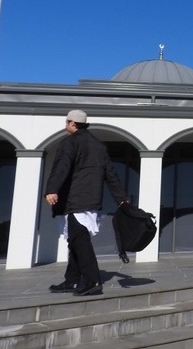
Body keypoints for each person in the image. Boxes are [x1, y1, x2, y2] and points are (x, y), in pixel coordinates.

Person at [44, 110, 128, 296]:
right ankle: (72, 280)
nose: (65, 125)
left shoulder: (70, 142)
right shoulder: (98, 145)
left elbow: (62, 166)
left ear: (73, 123)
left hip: (75, 199)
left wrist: (52, 189)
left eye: (67, 122)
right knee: (75, 240)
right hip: (91, 200)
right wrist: (121, 197)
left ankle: (92, 281)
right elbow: (110, 174)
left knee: (79, 241)